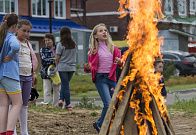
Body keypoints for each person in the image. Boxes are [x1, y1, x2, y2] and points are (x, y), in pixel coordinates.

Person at [86, 23, 121, 133]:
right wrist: (88, 67)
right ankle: (99, 124)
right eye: (101, 31)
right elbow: (91, 66)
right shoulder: (93, 51)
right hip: (100, 79)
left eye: (105, 30)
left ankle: (111, 124)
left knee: (118, 101)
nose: (104, 32)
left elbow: (120, 63)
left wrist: (119, 62)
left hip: (111, 78)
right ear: (96, 36)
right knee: (108, 103)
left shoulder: (113, 48)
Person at [0, 13, 23, 135]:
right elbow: (15, 46)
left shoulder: (2, 37)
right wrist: (10, 55)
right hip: (10, 74)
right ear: (14, 26)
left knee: (3, 106)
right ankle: (9, 133)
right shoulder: (11, 37)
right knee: (17, 103)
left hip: (1, 75)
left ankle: (2, 132)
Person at [15, 19, 38, 135]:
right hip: (16, 76)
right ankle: (12, 130)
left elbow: (32, 59)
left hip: (28, 76)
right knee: (14, 104)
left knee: (24, 104)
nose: (26, 34)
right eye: (24, 30)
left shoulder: (28, 44)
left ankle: (24, 131)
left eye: (28, 31)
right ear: (16, 29)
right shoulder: (13, 42)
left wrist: (34, 73)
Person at [56, 27, 77, 110]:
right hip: (72, 68)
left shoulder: (60, 44)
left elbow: (57, 57)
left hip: (63, 67)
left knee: (65, 85)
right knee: (65, 84)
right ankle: (61, 99)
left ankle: (68, 104)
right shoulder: (74, 44)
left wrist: (56, 65)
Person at [40, 33, 60, 106]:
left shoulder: (57, 48)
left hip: (56, 72)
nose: (47, 42)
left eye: (49, 40)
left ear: (53, 40)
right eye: (45, 40)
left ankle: (56, 105)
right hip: (45, 72)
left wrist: (55, 60)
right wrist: (55, 60)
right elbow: (44, 60)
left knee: (56, 89)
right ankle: (47, 105)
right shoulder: (43, 49)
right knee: (47, 90)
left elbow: (61, 58)